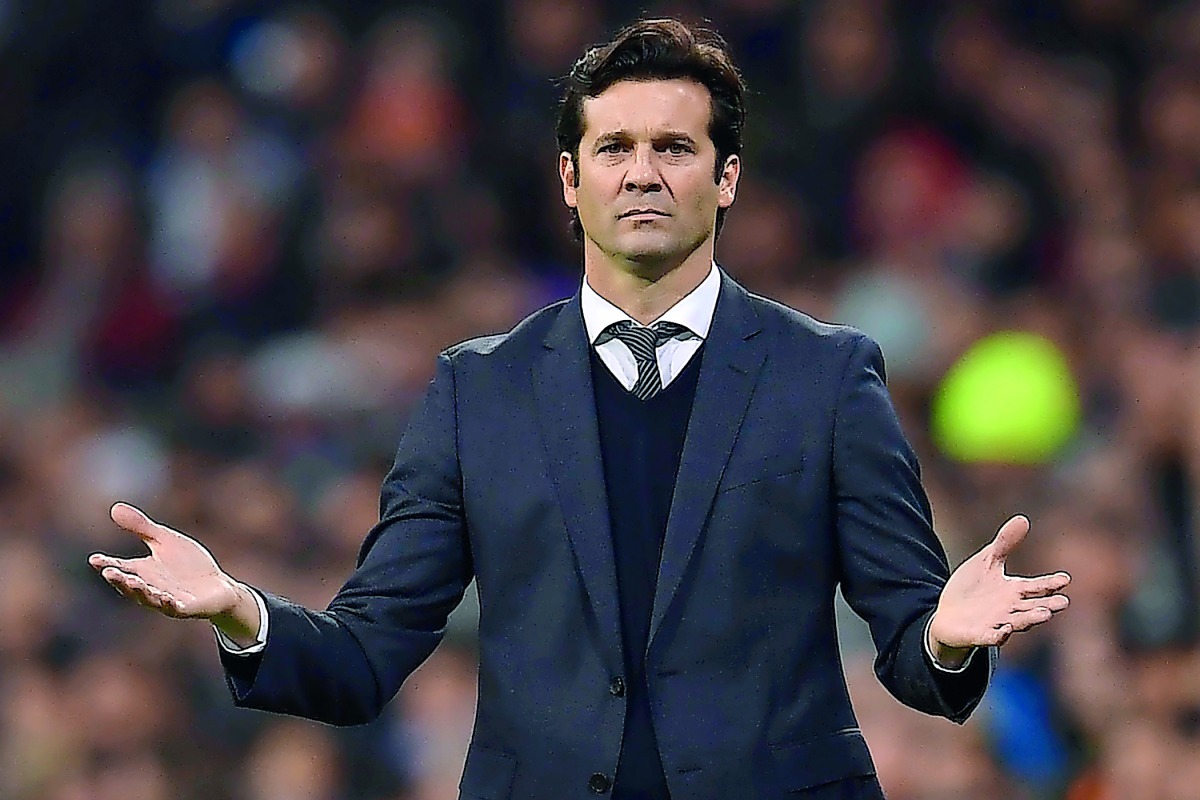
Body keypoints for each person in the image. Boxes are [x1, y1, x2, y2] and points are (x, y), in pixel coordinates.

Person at [90, 18, 1071, 800]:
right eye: (615, 147)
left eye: (675, 146)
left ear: (726, 178)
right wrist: (240, 609)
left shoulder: (828, 375)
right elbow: (365, 653)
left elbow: (909, 647)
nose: (643, 171)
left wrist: (945, 634)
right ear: (571, 177)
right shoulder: (477, 390)